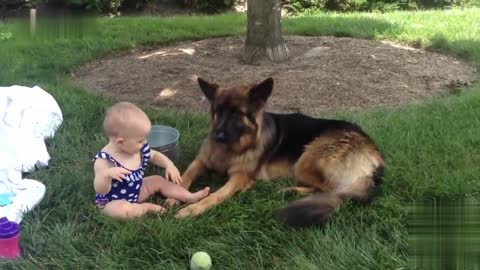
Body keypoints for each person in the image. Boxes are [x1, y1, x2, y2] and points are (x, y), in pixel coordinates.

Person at [93, 101, 210, 219]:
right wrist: (106, 175)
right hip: (113, 201)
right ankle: (145, 208)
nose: (144, 143)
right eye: (140, 140)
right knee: (120, 210)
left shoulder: (136, 148)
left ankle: (188, 196)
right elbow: (100, 190)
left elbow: (154, 156)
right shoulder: (104, 161)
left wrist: (169, 165)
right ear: (120, 142)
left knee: (157, 180)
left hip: (136, 190)